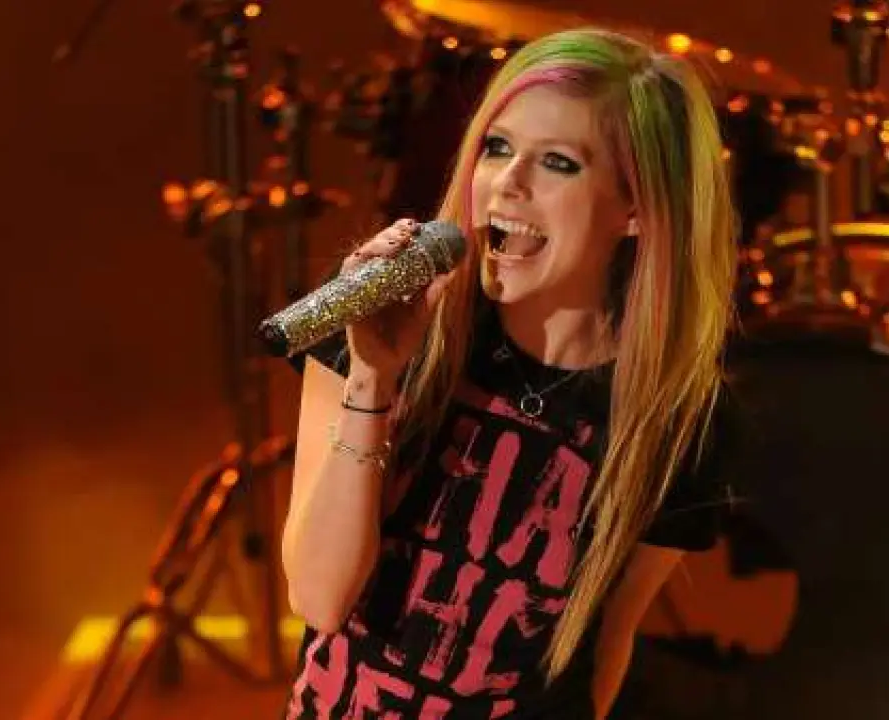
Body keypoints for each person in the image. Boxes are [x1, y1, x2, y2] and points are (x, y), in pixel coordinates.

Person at [280, 26, 740, 719]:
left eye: (557, 162)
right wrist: (372, 380)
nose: (508, 184)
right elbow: (319, 597)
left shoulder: (676, 420)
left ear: (638, 208)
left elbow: (603, 646)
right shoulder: (381, 320)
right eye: (496, 148)